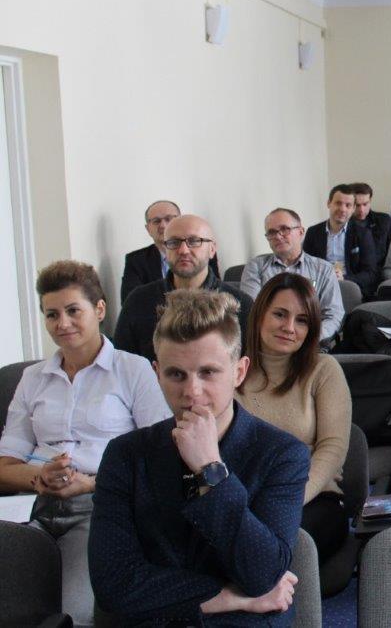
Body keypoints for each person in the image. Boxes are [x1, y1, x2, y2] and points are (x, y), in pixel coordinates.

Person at [89, 290, 309, 625]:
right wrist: (231, 597)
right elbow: (114, 586)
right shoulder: (125, 455)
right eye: (176, 374)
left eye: (208, 373)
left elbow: (263, 574)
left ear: (239, 372)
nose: (192, 391)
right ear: (157, 373)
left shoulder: (282, 454)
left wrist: (210, 470)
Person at [0, 261, 170, 626]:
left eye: (73, 310)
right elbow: (5, 467)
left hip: (101, 506)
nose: (62, 323)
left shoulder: (134, 369)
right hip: (35, 506)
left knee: (72, 615)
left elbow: (159, 459)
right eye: (52, 315)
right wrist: (40, 477)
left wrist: (92, 483)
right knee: (12, 606)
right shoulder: (32, 378)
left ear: (100, 309)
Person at [237, 273, 352, 562]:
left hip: (311, 497)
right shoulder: (232, 370)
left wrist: (287, 499)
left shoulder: (323, 370)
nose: (289, 327)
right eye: (280, 314)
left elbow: (333, 448)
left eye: (302, 320)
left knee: (270, 547)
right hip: (243, 498)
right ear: (260, 314)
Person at [115, 214, 252, 362]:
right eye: (174, 242)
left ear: (212, 249)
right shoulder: (139, 301)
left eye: (194, 241)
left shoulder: (240, 304)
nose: (183, 250)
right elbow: (121, 363)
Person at [240, 208, 344, 347]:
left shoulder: (323, 269)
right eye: (272, 232)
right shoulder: (256, 267)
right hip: (268, 344)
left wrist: (310, 338)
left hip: (311, 345)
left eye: (285, 229)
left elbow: (333, 315)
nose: (278, 236)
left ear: (301, 232)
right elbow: (253, 311)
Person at [120, 200, 221, 302]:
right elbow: (130, 301)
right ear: (148, 229)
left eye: (169, 219)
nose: (163, 225)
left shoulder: (203, 252)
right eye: (156, 221)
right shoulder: (136, 260)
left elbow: (216, 291)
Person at [303, 183, 380, 298]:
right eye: (338, 203)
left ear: (353, 209)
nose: (343, 209)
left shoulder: (363, 234)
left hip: (348, 287)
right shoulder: (313, 232)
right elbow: (305, 267)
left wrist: (344, 278)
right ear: (329, 203)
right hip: (319, 288)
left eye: (348, 205)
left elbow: (371, 273)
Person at [351, 182, 391, 267]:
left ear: (370, 201)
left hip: (382, 270)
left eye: (365, 204)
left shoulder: (384, 221)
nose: (361, 210)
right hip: (354, 272)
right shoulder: (343, 225)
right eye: (357, 205)